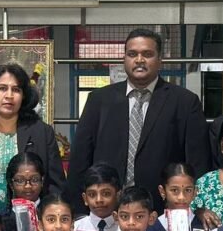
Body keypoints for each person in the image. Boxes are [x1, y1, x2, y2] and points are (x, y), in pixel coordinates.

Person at [67, 28, 211, 212]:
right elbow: (80, 159)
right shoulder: (99, 100)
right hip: (106, 209)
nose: (139, 60)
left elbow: (198, 162)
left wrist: (198, 208)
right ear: (124, 59)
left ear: (160, 60)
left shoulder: (184, 102)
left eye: (147, 54)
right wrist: (78, 212)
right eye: (132, 54)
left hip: (161, 210)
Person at [0, 63, 65, 211]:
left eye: (16, 90)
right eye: (2, 88)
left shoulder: (42, 132)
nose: (9, 96)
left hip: (33, 218)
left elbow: (56, 185)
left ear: (24, 96)